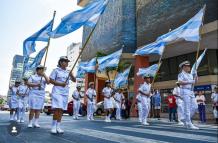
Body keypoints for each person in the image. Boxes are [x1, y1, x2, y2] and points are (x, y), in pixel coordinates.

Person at [50, 56, 76, 134]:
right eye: (65, 61)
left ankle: (58, 126)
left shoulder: (68, 71)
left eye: (67, 61)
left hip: (65, 92)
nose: (67, 63)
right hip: (57, 91)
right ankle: (53, 126)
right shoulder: (55, 70)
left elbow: (74, 80)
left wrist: (71, 74)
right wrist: (61, 84)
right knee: (57, 109)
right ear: (61, 62)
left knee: (61, 110)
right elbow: (51, 80)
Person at [178, 61, 199, 129]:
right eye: (187, 66)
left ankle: (185, 118)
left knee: (195, 106)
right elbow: (180, 82)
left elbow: (195, 82)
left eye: (189, 66)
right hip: (185, 91)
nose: (189, 67)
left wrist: (196, 75)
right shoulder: (181, 74)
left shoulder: (190, 75)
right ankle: (189, 123)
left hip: (191, 91)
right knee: (187, 108)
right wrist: (190, 81)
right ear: (184, 67)